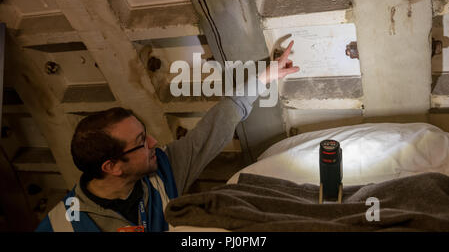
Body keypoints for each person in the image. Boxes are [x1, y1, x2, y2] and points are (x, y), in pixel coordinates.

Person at [35, 42, 298, 232]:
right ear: (112, 166)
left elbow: (215, 127)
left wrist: (266, 77)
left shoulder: (163, 170)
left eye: (145, 134)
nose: (153, 144)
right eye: (140, 142)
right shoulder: (64, 225)